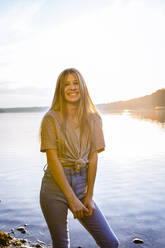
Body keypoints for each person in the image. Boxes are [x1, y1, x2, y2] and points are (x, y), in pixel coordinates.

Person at [39, 68, 119, 248]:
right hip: (54, 187)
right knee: (61, 244)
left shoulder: (94, 118)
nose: (72, 87)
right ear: (60, 89)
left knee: (110, 243)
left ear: (83, 87)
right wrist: (71, 199)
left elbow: (94, 158)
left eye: (76, 83)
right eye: (66, 84)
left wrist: (88, 196)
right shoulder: (50, 119)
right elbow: (52, 160)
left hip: (82, 186)